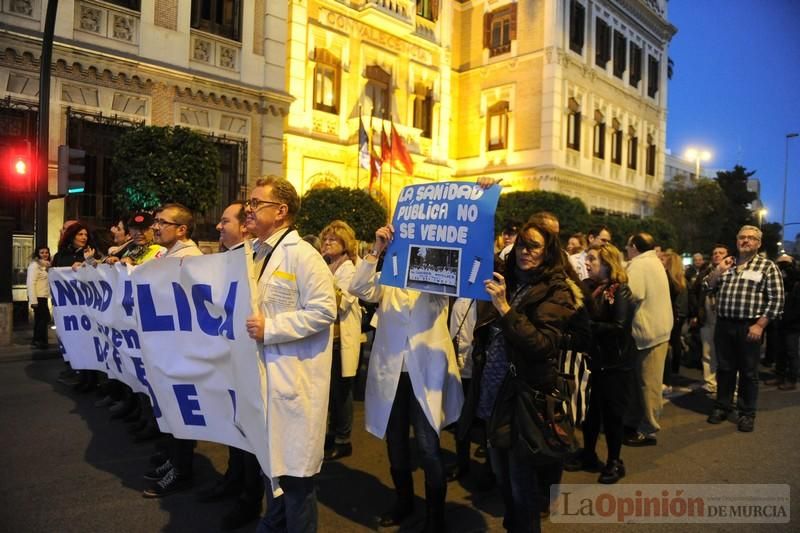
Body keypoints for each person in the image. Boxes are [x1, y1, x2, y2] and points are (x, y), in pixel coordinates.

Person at [348, 224, 464, 532]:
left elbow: (467, 277)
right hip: (392, 371)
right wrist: (376, 250)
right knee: (396, 441)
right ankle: (404, 502)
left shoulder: (439, 274)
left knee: (427, 446)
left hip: (424, 372)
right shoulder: (390, 275)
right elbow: (359, 287)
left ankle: (435, 517)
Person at [244, 176, 337, 533]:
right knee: (274, 470)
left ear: (281, 211)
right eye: (250, 203)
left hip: (293, 383)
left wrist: (273, 328)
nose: (249, 209)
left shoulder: (303, 255)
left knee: (296, 480)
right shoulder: (256, 252)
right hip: (265, 379)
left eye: (256, 203)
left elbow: (324, 310)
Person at [474, 220, 577, 533]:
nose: (525, 252)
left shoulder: (556, 290)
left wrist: (504, 308)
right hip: (494, 391)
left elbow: (541, 344)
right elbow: (473, 247)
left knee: (521, 485)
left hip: (523, 397)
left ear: (547, 252)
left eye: (534, 246)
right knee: (501, 476)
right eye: (521, 244)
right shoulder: (508, 278)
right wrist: (482, 197)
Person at [565, 243, 634, 484]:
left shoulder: (620, 291)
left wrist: (586, 328)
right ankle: (589, 453)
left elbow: (619, 327)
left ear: (607, 263)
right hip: (594, 361)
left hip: (615, 364)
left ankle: (615, 461)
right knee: (592, 413)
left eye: (593, 259)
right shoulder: (591, 287)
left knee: (613, 415)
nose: (588, 263)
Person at [706, 226, 784, 432]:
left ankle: (746, 413)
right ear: (737, 240)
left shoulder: (767, 266)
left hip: (749, 326)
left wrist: (760, 325)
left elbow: (777, 300)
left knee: (749, 372)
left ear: (758, 243)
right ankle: (722, 406)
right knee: (724, 369)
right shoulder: (728, 264)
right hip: (724, 325)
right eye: (742, 237)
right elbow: (708, 286)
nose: (746, 241)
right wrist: (718, 270)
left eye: (751, 238)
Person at [622, 233, 673, 447]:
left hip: (649, 333)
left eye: (627, 246)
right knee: (644, 382)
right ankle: (636, 422)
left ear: (634, 247)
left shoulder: (639, 265)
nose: (626, 250)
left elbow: (631, 295)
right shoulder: (654, 261)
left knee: (648, 384)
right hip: (659, 329)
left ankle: (648, 429)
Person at [319, 220, 362, 461]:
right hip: (326, 338)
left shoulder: (349, 270)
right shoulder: (326, 266)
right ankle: (332, 432)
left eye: (332, 240)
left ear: (345, 245)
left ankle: (343, 439)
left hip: (341, 339)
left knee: (341, 392)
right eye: (325, 239)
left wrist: (320, 288)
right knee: (329, 391)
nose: (326, 243)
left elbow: (340, 304)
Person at [689, 244, 729, 394]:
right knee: (707, 352)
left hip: (724, 318)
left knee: (726, 353)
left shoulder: (733, 271)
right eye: (714, 253)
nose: (717, 255)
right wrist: (696, 313)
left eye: (721, 253)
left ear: (727, 255)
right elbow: (695, 291)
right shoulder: (706, 272)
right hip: (707, 317)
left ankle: (729, 384)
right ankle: (710, 382)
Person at [765, 255, 799, 390]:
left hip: (793, 324)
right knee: (780, 351)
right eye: (780, 263)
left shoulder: (796, 281)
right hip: (779, 321)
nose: (783, 266)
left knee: (791, 351)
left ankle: (791, 379)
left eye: (786, 263)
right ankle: (779, 376)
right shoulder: (778, 279)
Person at [660, 250, 688, 393]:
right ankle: (673, 372)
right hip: (676, 315)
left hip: (670, 316)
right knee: (674, 344)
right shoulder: (680, 279)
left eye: (663, 260)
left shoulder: (667, 279)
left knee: (667, 347)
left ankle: (667, 379)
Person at [27, 246, 51, 349]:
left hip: (44, 296)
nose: (45, 254)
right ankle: (39, 340)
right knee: (43, 318)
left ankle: (39, 340)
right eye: (42, 253)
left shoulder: (46, 266)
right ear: (38, 254)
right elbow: (31, 283)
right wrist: (33, 300)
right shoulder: (34, 265)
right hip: (38, 297)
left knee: (41, 319)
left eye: (46, 252)